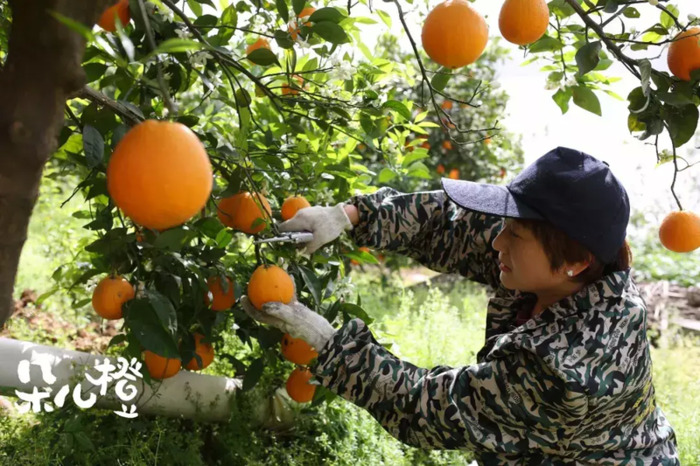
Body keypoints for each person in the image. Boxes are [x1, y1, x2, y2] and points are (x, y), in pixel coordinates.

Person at [241, 147, 680, 465]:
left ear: (575, 261)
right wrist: (347, 216)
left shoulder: (566, 368)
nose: (496, 241)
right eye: (505, 225)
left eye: (514, 235)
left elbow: (429, 407)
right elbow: (448, 223)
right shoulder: (569, 267)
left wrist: (323, 338)